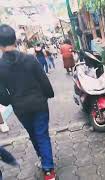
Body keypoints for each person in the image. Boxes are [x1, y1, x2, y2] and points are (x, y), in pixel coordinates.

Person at [0, 24, 56, 180]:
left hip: (21, 109)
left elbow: (2, 97)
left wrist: (14, 100)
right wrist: (49, 94)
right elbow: (43, 80)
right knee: (42, 134)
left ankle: (44, 160)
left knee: (33, 134)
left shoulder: (0, 67)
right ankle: (48, 171)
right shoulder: (30, 59)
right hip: (39, 104)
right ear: (15, 40)